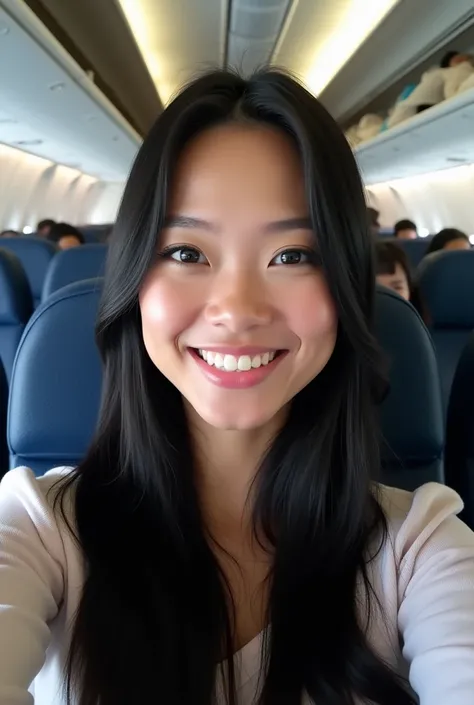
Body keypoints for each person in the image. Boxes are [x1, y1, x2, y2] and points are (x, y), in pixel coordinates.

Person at [0, 70, 473, 705]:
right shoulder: (38, 530)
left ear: (344, 291)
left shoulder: (420, 548)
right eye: (187, 253)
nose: (238, 308)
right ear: (136, 283)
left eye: (293, 255)